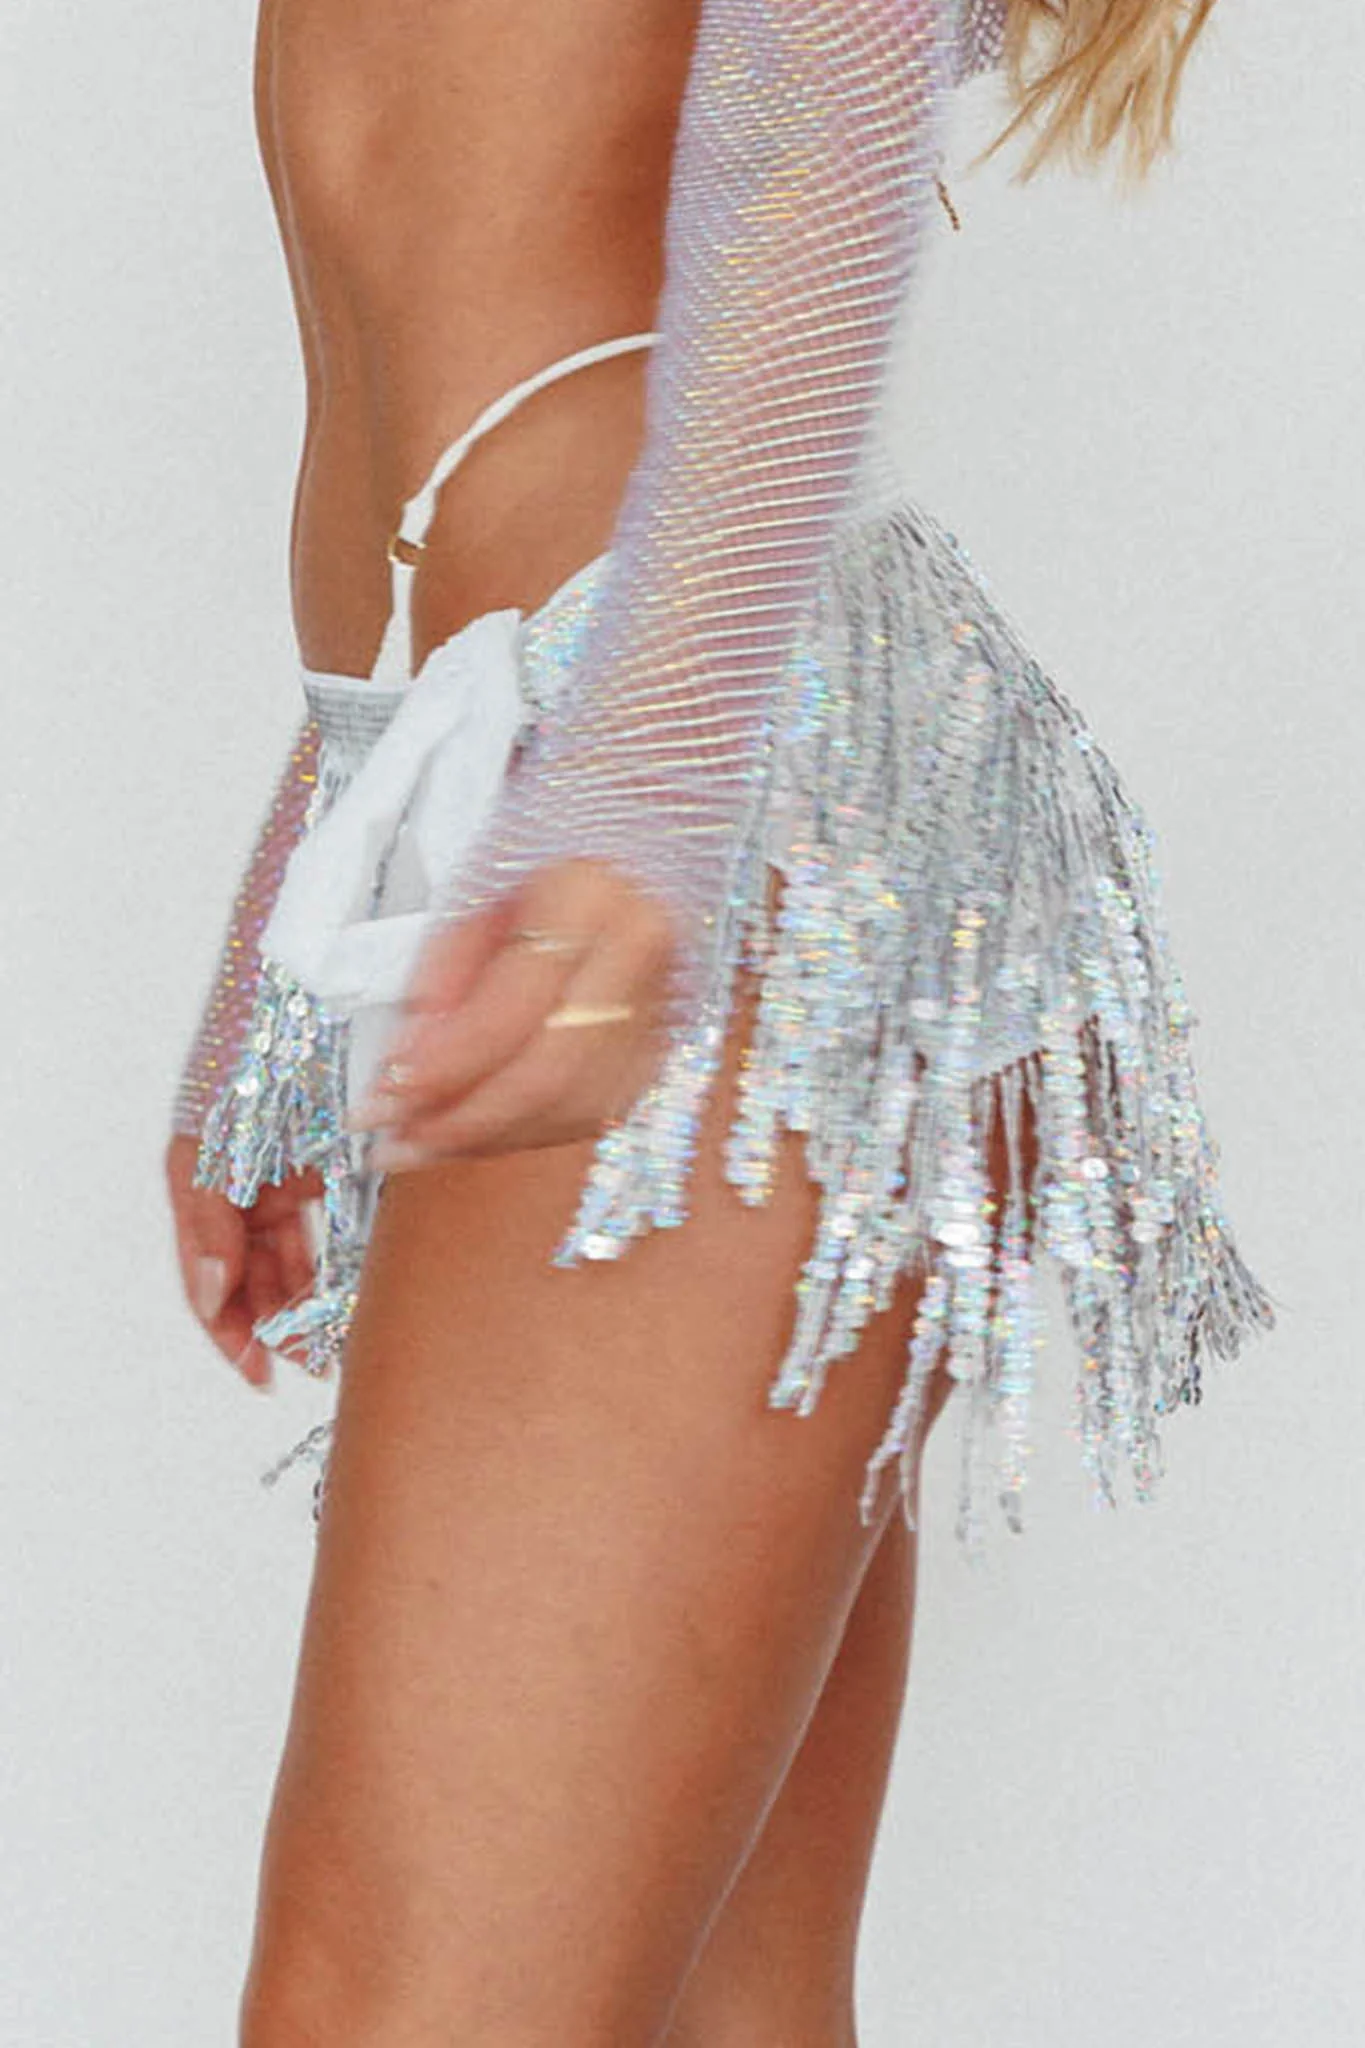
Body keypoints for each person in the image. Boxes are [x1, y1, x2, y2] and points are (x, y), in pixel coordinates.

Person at [164, 2, 1271, 2040]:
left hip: (717, 801)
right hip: (575, 762)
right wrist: (284, 952)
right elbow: (402, 327)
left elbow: (820, 98)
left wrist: (647, 793)